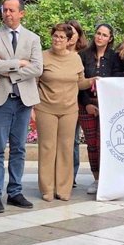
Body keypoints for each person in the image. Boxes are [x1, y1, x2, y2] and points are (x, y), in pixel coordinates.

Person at [0, 0, 43, 213]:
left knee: (19, 148)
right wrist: (19, 63)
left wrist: (6, 69)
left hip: (24, 101)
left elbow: (37, 69)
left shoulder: (33, 38)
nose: (7, 14)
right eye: (4, 10)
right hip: (0, 100)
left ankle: (15, 192)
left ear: (21, 13)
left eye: (11, 10)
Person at [35, 24, 91, 201]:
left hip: (69, 110)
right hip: (45, 108)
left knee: (66, 147)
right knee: (47, 147)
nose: (57, 40)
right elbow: (33, 83)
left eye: (61, 37)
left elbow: (80, 83)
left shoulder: (75, 58)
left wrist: (93, 81)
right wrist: (32, 107)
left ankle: (63, 188)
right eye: (55, 36)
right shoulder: (42, 57)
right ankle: (47, 189)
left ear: (68, 41)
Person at [79, 24, 117, 195]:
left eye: (104, 35)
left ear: (110, 38)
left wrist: (106, 104)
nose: (100, 37)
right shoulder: (84, 55)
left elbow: (117, 81)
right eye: (98, 33)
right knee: (92, 144)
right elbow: (78, 82)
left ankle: (107, 178)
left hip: (107, 106)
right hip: (87, 104)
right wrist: (87, 103)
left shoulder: (115, 57)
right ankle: (96, 178)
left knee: (105, 143)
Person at [66, 19, 87, 188]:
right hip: (60, 103)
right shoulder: (56, 53)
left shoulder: (84, 55)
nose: (70, 36)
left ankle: (71, 175)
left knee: (73, 140)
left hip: (79, 102)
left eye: (73, 32)